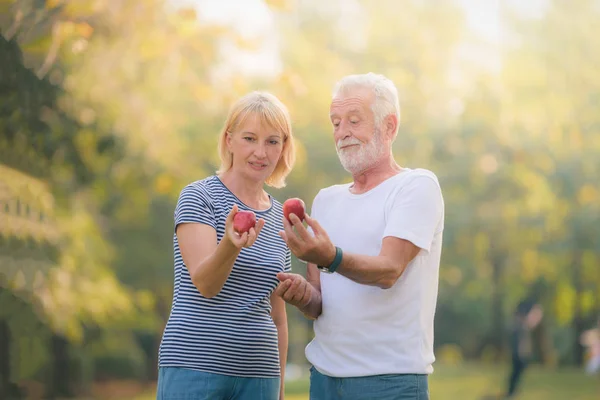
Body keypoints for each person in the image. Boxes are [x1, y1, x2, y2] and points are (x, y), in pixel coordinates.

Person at [275, 73, 445, 400]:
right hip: (324, 379)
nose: (342, 133)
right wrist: (302, 294)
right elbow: (319, 303)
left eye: (354, 120)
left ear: (390, 127)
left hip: (390, 382)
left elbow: (389, 269)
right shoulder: (326, 199)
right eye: (335, 123)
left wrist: (330, 257)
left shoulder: (416, 186)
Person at [157, 91, 296, 400]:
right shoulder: (199, 197)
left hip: (260, 376)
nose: (261, 152)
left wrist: (281, 389)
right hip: (195, 367)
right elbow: (206, 284)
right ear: (229, 140)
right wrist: (231, 246)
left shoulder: (279, 216)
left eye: (272, 141)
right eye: (250, 138)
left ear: (283, 148)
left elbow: (278, 314)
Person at [504, 296, 544, 399]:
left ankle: (512, 393)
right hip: (518, 355)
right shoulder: (520, 328)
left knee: (516, 373)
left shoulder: (521, 328)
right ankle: (511, 393)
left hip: (519, 355)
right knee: (516, 373)